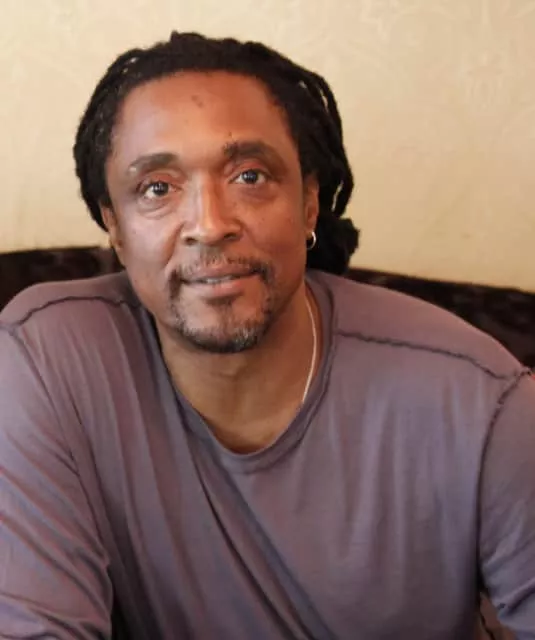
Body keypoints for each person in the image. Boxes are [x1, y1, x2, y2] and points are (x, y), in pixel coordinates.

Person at [0, 31, 533, 640]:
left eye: (249, 176)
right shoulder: (45, 363)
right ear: (114, 228)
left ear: (309, 204)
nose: (209, 225)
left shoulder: (478, 401)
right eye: (157, 188)